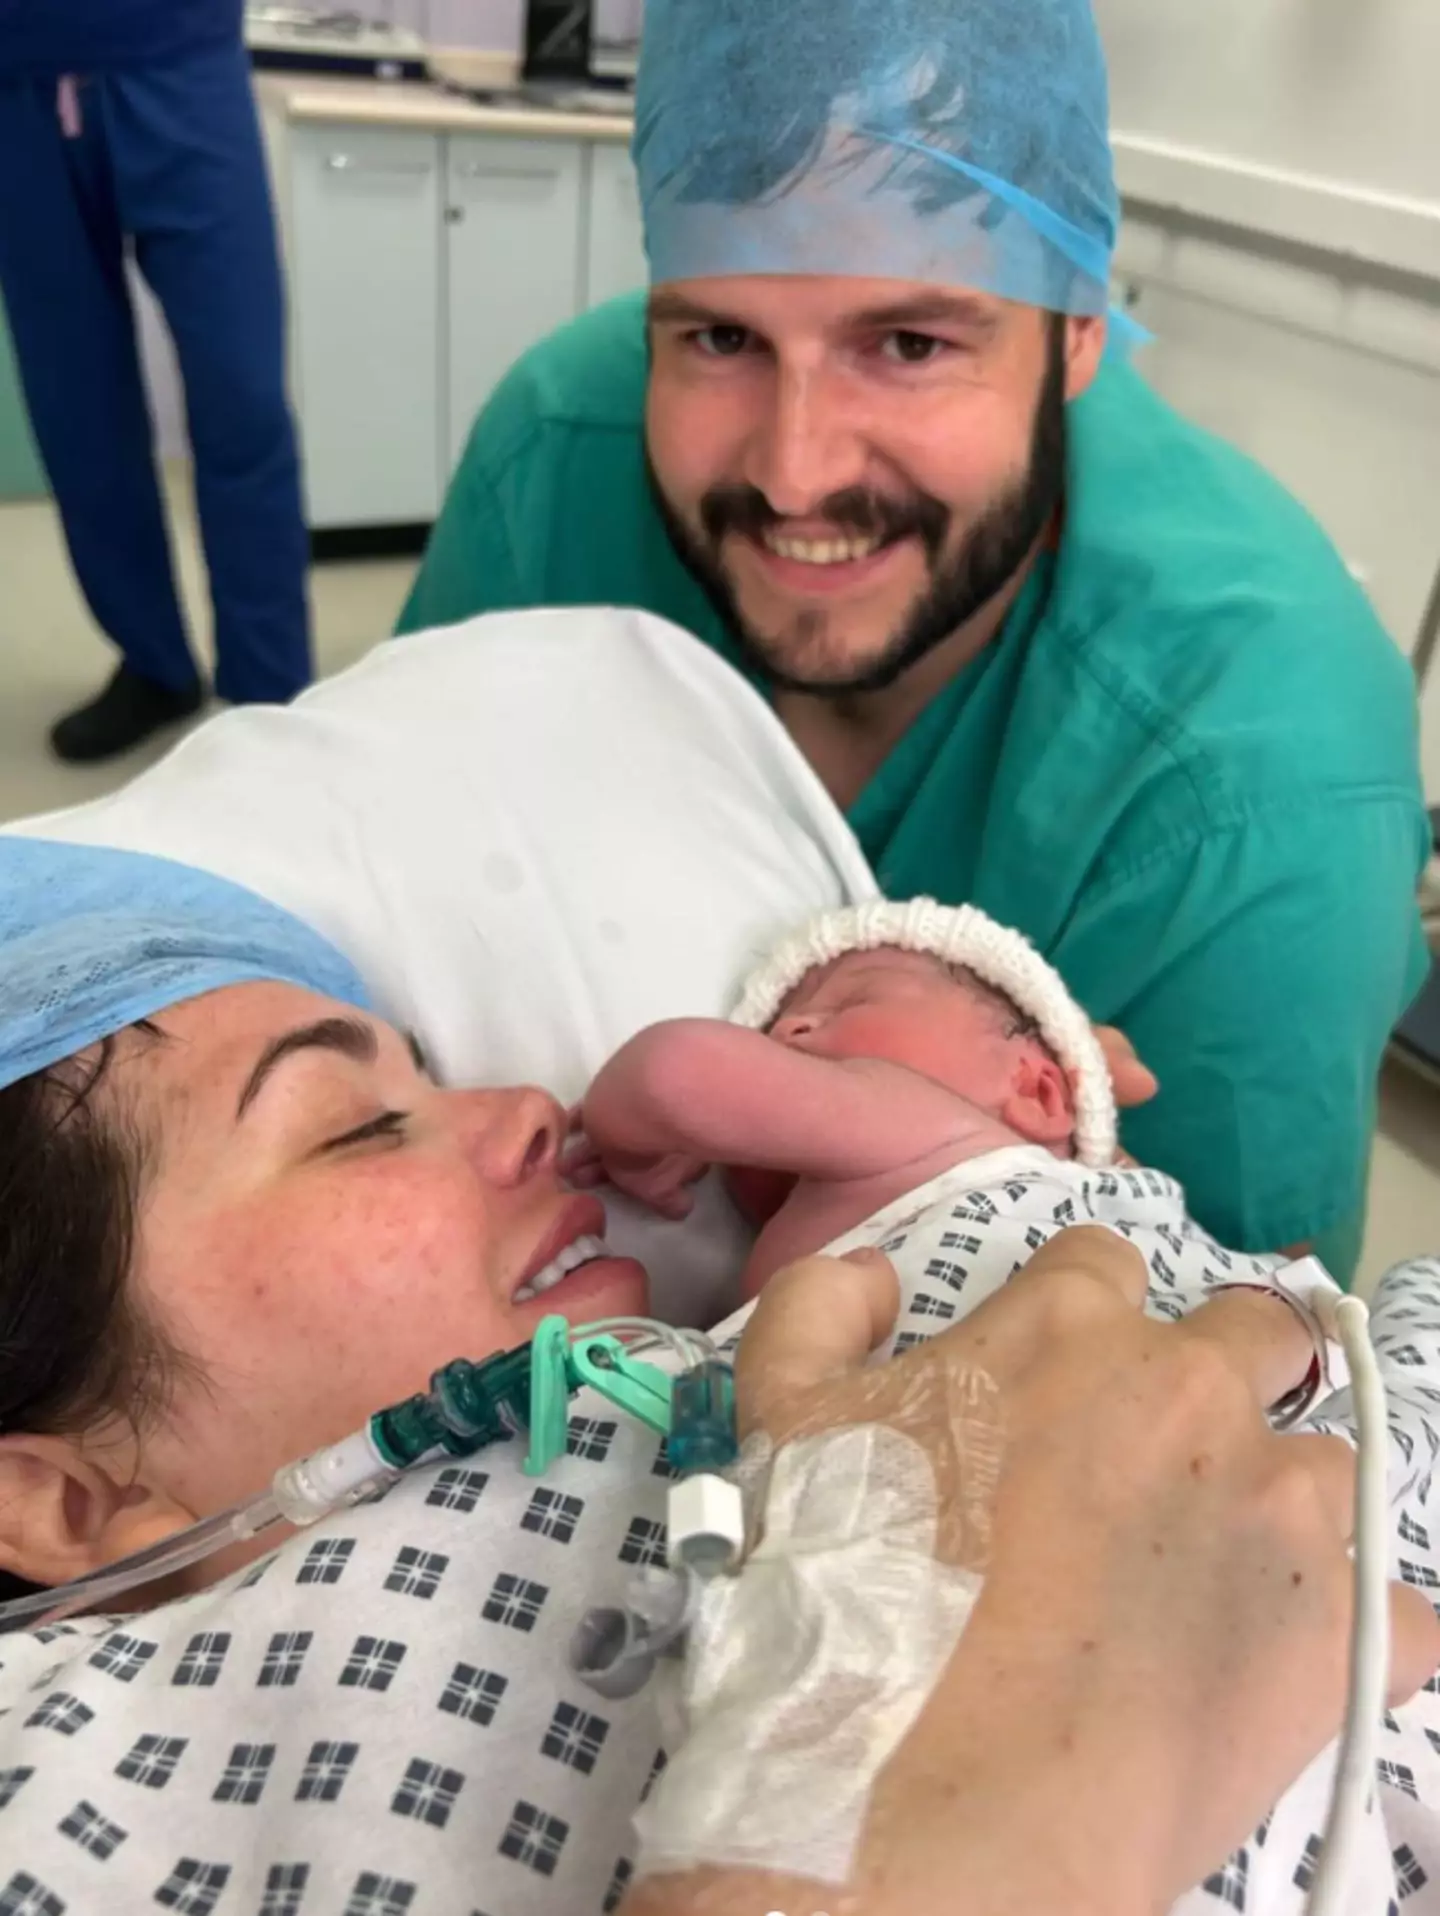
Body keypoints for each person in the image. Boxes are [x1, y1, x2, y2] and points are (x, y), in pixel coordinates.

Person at [1, 838, 1439, 1916]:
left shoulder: (739, 1351)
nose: (525, 1111)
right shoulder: (60, 1769)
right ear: (61, 1500)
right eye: (355, 1128)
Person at [396, 0, 1429, 1286]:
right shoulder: (556, 461)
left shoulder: (1259, 777)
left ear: (1079, 332)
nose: (793, 473)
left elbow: (1233, 1383)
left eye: (910, 343)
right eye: (721, 338)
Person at [0, 0, 311, 763]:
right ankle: (155, 665)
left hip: (182, 56)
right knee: (78, 412)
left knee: (243, 397)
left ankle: (269, 692)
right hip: (15, 79)